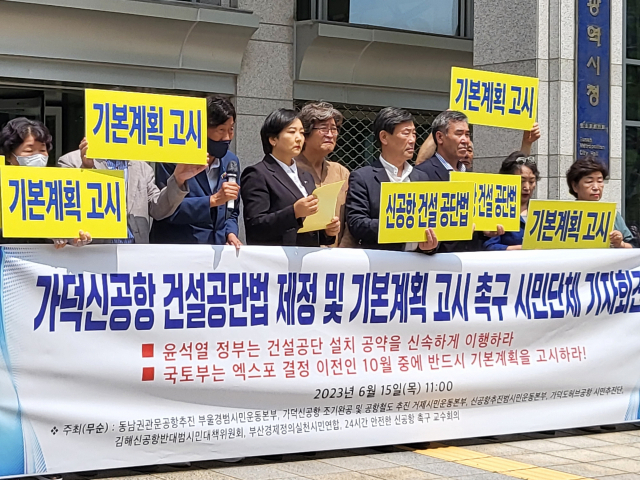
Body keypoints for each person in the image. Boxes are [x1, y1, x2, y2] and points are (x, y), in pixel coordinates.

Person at [58, 137, 206, 244]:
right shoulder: (71, 162)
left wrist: (178, 180)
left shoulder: (143, 167)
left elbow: (158, 210)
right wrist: (87, 170)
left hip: (135, 258)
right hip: (94, 256)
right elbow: (66, 208)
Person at [240, 108, 340, 246]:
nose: (299, 138)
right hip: (277, 256)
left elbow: (310, 229)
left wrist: (327, 232)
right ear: (273, 139)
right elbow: (255, 227)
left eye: (302, 133)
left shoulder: (306, 176)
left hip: (308, 255)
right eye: (292, 132)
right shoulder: (257, 174)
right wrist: (294, 212)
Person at [150, 96, 241, 247]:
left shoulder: (231, 161)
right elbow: (165, 209)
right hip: (178, 248)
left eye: (231, 129)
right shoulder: (174, 158)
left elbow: (232, 209)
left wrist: (230, 232)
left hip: (217, 250)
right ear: (201, 128)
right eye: (221, 130)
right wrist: (211, 201)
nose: (227, 137)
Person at [345, 107, 438, 252]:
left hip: (418, 262)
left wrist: (429, 247)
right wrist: (399, 225)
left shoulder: (422, 178)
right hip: (381, 261)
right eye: (406, 133)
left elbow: (433, 222)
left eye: (414, 133)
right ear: (384, 137)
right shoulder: (363, 177)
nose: (412, 140)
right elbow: (357, 223)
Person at [0, 117, 91, 248]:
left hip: (47, 257)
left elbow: (70, 220)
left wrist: (73, 238)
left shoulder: (56, 187)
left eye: (42, 151)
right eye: (29, 151)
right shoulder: (2, 186)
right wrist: (42, 231)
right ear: (9, 156)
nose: (37, 156)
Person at [295, 101, 351, 247]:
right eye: (324, 128)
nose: (330, 135)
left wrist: (343, 251)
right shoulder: (290, 169)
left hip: (338, 255)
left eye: (334, 129)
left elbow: (350, 220)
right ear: (305, 133)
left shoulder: (341, 172)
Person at [415, 120, 541, 171]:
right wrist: (441, 126)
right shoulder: (428, 172)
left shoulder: (477, 181)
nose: (465, 154)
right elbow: (421, 163)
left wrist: (527, 143)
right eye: (459, 134)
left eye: (469, 150)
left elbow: (517, 173)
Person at [566, 158, 636, 248]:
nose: (596, 187)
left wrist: (620, 244)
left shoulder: (612, 214)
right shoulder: (565, 214)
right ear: (575, 186)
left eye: (600, 181)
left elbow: (633, 246)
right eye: (589, 182)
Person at [483, 152, 540, 250]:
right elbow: (490, 246)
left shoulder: (540, 211)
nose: (527, 187)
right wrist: (522, 249)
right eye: (521, 181)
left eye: (531, 181)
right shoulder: (497, 210)